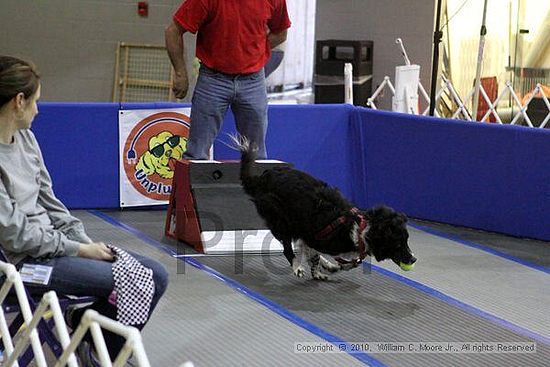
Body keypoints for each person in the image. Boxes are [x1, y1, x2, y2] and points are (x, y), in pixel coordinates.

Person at [0, 55, 169, 365]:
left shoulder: (26, 139)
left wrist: (84, 241)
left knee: (155, 273)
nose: (38, 109)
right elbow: (16, 237)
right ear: (19, 102)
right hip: (21, 265)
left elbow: (50, 202)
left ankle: (93, 339)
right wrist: (79, 250)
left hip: (54, 248)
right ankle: (104, 353)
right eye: (36, 101)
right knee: (128, 278)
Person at [165, 0, 291, 160]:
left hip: (253, 81)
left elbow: (281, 33)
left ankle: (254, 184)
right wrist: (180, 73)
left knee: (256, 155)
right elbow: (173, 31)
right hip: (213, 79)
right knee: (196, 153)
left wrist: (254, 50)